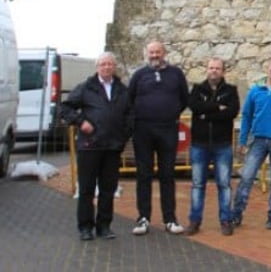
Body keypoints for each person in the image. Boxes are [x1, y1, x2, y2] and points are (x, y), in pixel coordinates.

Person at [60, 52, 132, 241]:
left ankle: (104, 226)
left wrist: (123, 136)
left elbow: (130, 115)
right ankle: (85, 227)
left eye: (110, 64)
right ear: (97, 67)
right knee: (86, 188)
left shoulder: (122, 90)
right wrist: (80, 121)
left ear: (114, 67)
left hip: (112, 147)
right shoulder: (86, 88)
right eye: (103, 64)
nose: (107, 67)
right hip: (89, 146)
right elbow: (65, 108)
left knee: (108, 189)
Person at [128, 40, 189, 235]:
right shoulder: (138, 75)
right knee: (144, 175)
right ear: (147, 54)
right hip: (143, 130)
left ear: (164, 53)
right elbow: (129, 100)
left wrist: (168, 114)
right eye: (152, 52)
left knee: (167, 175)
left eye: (158, 52)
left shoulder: (176, 74)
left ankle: (170, 219)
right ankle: (143, 218)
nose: (155, 55)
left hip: (167, 130)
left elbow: (184, 99)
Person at [231, 57, 271, 230]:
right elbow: (246, 116)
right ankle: (237, 214)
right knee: (246, 177)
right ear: (267, 67)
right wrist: (243, 140)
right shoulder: (255, 91)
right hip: (258, 139)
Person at [185, 57, 240, 236]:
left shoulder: (231, 91)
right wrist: (218, 108)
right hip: (199, 144)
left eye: (217, 68)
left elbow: (231, 112)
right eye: (211, 68)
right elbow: (194, 106)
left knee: (224, 184)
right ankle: (194, 220)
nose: (214, 71)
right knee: (197, 184)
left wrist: (206, 114)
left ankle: (225, 220)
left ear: (223, 71)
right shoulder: (197, 89)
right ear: (206, 70)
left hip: (222, 145)